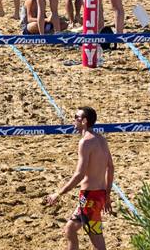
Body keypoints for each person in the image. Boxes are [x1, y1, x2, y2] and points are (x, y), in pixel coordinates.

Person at [46, 106, 114, 250]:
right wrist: (107, 195)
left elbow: (79, 174)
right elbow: (110, 167)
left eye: (76, 118)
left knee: (97, 240)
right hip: (97, 195)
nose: (73, 121)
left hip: (90, 197)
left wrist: (58, 193)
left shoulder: (86, 142)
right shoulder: (101, 139)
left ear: (84, 121)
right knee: (70, 229)